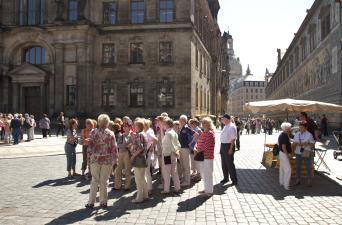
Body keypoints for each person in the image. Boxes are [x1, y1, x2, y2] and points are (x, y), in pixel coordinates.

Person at [86, 114, 118, 209]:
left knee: (94, 180)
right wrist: (115, 160)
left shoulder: (93, 132)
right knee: (104, 181)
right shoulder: (111, 133)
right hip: (107, 160)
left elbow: (89, 148)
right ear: (107, 123)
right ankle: (103, 202)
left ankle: (91, 202)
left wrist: (88, 160)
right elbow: (114, 148)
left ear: (99, 122)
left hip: (95, 160)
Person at [195, 117, 215, 197]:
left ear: (209, 124)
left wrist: (198, 150)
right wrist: (196, 147)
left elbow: (206, 145)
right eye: (203, 123)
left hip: (208, 156)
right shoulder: (204, 132)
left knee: (208, 174)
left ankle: (209, 191)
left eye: (205, 123)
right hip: (203, 156)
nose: (203, 125)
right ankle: (206, 188)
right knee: (204, 173)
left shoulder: (210, 133)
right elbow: (200, 142)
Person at [130, 119, 149, 203]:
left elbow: (140, 147)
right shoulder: (143, 134)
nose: (134, 127)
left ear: (138, 127)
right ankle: (145, 195)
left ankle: (139, 197)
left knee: (138, 179)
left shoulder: (139, 135)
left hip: (138, 158)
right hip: (142, 158)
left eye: (135, 125)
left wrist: (133, 156)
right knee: (142, 178)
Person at [161, 117, 181, 194]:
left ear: (167, 124)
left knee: (166, 172)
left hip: (167, 155)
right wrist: (177, 151)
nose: (163, 125)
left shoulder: (168, 133)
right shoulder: (174, 132)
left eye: (164, 124)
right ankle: (177, 187)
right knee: (174, 171)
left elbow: (170, 145)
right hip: (173, 154)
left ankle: (166, 189)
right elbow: (178, 144)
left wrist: (175, 151)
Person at [293, 122, 315, 187]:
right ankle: (298, 180)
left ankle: (309, 180)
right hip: (298, 153)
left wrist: (307, 144)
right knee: (298, 167)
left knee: (308, 167)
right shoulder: (297, 134)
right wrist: (293, 149)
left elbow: (313, 144)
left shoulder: (309, 134)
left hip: (306, 153)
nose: (300, 128)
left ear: (306, 128)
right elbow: (294, 143)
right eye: (300, 127)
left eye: (302, 127)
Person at [220, 114, 238, 185]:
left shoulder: (232, 126)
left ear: (227, 119)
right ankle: (225, 178)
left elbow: (233, 139)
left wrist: (231, 149)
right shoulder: (225, 126)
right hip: (223, 145)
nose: (222, 120)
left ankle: (234, 180)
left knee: (230, 164)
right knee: (224, 163)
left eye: (223, 119)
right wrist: (220, 148)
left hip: (228, 146)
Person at [114, 123, 133, 190]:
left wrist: (127, 145)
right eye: (124, 127)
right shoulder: (121, 135)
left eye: (126, 126)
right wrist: (126, 145)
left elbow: (132, 144)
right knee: (118, 170)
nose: (124, 128)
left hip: (128, 153)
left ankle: (127, 186)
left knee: (127, 169)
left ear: (129, 127)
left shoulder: (132, 135)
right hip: (120, 153)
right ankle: (117, 185)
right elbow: (118, 145)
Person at [178, 115, 195, 187]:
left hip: (185, 148)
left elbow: (196, 134)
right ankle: (184, 179)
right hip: (181, 148)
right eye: (180, 120)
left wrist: (190, 143)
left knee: (186, 165)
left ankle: (187, 181)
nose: (181, 121)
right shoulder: (180, 128)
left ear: (185, 121)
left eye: (183, 120)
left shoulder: (187, 128)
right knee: (182, 165)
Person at [144, 119, 158, 195]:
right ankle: (148, 187)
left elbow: (156, 139)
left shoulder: (148, 132)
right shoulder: (150, 130)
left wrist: (152, 147)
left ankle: (149, 188)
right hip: (146, 153)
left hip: (147, 154)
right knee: (146, 171)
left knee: (147, 171)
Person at [278, 122, 293, 191]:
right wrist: (288, 155)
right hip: (284, 154)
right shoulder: (284, 135)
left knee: (282, 169)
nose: (290, 129)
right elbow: (284, 147)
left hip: (281, 153)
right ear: (286, 128)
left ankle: (282, 182)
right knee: (288, 170)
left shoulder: (282, 134)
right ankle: (286, 185)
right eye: (289, 128)